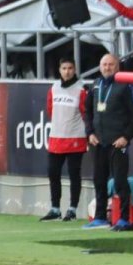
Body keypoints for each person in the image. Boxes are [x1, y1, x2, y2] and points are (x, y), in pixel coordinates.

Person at [83, 53, 133, 230]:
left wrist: (126, 137)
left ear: (117, 66)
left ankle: (124, 218)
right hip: (97, 141)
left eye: (111, 64)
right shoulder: (95, 84)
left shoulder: (125, 85)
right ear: (100, 66)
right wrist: (89, 133)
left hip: (118, 142)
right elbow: (87, 111)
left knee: (119, 181)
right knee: (99, 180)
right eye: (104, 64)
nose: (107, 68)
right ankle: (100, 217)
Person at [40, 58, 89, 222]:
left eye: (70, 68)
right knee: (53, 173)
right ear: (59, 70)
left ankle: (72, 209)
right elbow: (50, 110)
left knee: (74, 174)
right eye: (64, 68)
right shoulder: (54, 88)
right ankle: (55, 208)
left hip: (75, 137)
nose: (67, 71)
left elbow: (85, 113)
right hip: (56, 137)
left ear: (75, 70)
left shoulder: (81, 89)